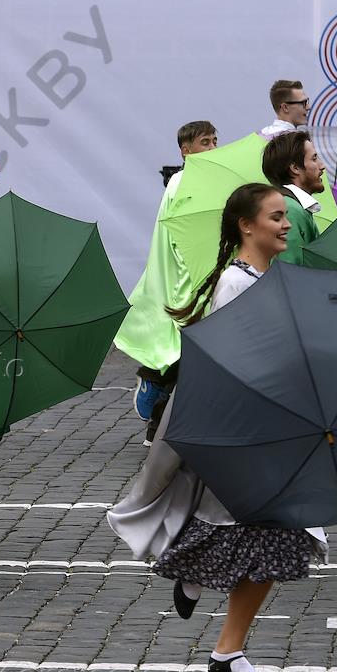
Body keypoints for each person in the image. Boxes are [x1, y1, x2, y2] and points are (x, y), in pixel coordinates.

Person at [108, 183, 327, 672]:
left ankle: (223, 642)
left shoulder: (267, 279)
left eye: (286, 216)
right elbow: (236, 366)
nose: (286, 225)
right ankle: (221, 639)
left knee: (270, 540)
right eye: (276, 217)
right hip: (251, 435)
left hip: (269, 432)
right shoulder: (235, 284)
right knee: (270, 536)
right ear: (247, 226)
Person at [115, 121, 218, 444]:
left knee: (189, 354)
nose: (213, 147)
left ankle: (156, 398)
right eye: (205, 142)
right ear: (186, 151)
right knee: (190, 355)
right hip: (187, 279)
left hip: (195, 277)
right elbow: (183, 237)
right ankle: (157, 411)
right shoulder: (184, 183)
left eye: (215, 141)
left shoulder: (200, 181)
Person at [261, 130, 326, 265]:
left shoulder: (293, 207)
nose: (322, 166)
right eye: (314, 159)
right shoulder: (289, 210)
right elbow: (289, 272)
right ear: (295, 168)